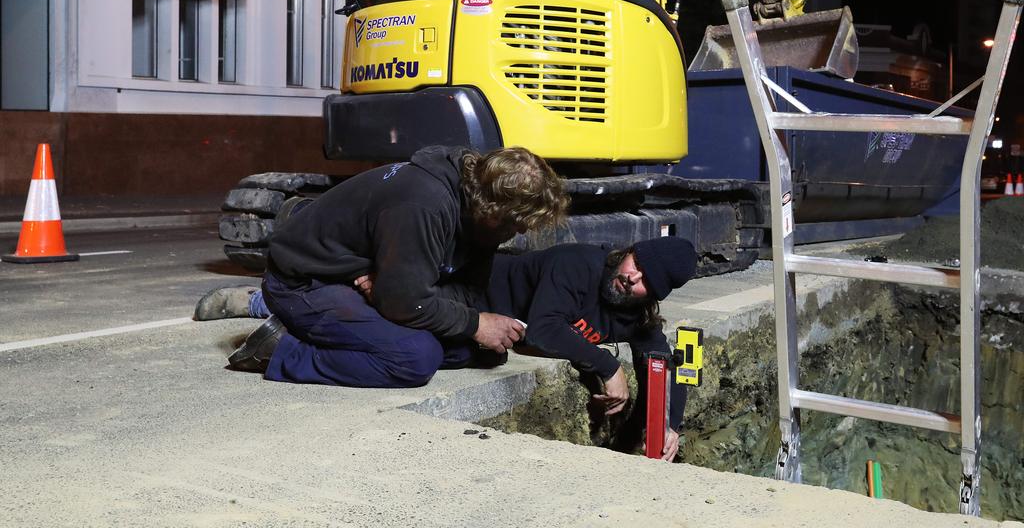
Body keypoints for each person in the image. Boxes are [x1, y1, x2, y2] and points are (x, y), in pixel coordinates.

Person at [196, 145, 567, 388]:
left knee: (486, 352)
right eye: (515, 224)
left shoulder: (481, 214)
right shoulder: (424, 203)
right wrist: (466, 320)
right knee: (415, 358)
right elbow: (408, 303)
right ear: (492, 210)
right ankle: (282, 350)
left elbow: (468, 291)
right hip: (307, 283)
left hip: (365, 286)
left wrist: (397, 292)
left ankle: (359, 329)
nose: (516, 233)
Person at [486, 237, 698, 461]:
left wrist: (670, 425)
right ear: (628, 252)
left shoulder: (635, 310)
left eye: (646, 281)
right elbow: (543, 329)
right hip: (472, 296)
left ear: (652, 295)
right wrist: (609, 367)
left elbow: (662, 361)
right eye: (636, 264)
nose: (631, 278)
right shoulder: (576, 263)